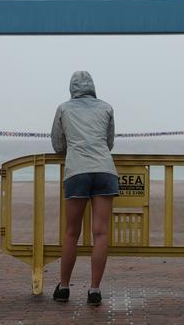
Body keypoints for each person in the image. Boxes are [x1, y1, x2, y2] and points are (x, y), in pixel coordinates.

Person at [50, 71, 117, 306]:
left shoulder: (64, 109)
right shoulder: (106, 107)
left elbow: (58, 145)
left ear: (71, 88)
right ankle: (94, 290)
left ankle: (64, 288)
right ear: (93, 86)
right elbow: (109, 143)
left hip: (77, 171)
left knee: (71, 232)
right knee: (100, 233)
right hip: (105, 171)